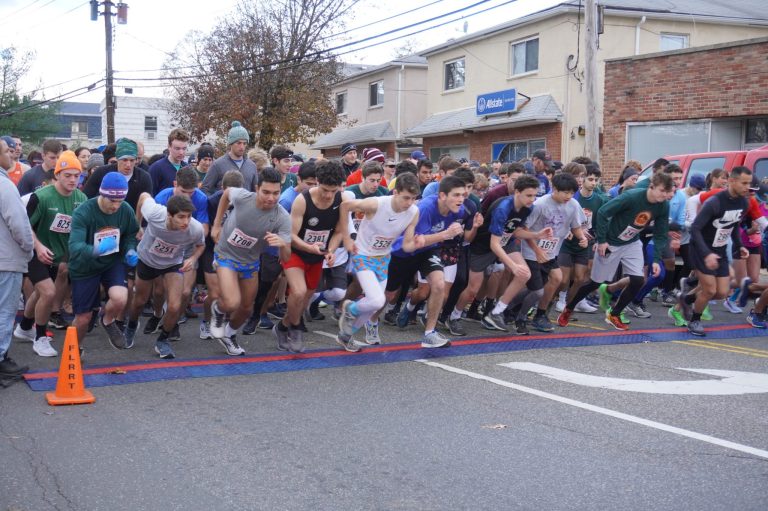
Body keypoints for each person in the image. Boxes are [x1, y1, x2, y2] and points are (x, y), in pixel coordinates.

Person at [558, 172, 675, 330]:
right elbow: (603, 212)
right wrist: (602, 240)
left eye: (668, 192)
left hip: (632, 242)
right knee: (596, 282)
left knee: (638, 279)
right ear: (652, 187)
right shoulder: (631, 197)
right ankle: (569, 307)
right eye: (662, 191)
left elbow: (661, 234)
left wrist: (655, 259)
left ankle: (615, 313)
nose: (666, 195)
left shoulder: (663, 205)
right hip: (611, 242)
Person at [378, 176, 468, 348]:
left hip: (428, 250)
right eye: (456, 195)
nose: (461, 200)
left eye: (462, 195)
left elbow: (439, 237)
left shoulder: (459, 209)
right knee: (389, 294)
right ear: (442, 195)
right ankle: (371, 320)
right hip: (404, 252)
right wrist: (446, 234)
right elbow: (416, 242)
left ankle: (429, 333)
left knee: (439, 284)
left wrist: (462, 229)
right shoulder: (426, 208)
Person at [13, 151, 87, 357]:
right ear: (57, 174)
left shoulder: (82, 198)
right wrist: (37, 246)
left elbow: (80, 228)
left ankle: (24, 327)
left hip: (57, 255)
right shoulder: (40, 197)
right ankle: (40, 338)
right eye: (67, 175)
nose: (73, 180)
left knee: (39, 293)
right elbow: (24, 226)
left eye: (77, 175)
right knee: (48, 292)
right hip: (33, 252)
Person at [336, 173, 421, 351]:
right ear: (395, 192)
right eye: (406, 198)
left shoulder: (414, 212)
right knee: (376, 300)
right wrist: (347, 238)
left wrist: (419, 243)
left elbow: (407, 246)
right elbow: (344, 207)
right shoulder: (376, 203)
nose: (409, 203)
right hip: (363, 255)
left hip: (383, 258)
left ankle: (346, 335)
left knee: (373, 307)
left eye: (413, 198)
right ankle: (350, 308)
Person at [211, 168, 291, 352]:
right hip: (226, 254)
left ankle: (229, 334)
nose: (271, 198)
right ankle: (219, 310)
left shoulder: (282, 217)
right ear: (257, 188)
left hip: (250, 262)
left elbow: (286, 259)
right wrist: (217, 225)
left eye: (276, 193)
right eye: (266, 192)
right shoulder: (242, 197)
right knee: (232, 303)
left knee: (247, 308)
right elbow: (225, 195)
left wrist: (283, 245)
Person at [274, 160, 346, 353]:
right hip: (295, 252)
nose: (329, 195)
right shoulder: (302, 200)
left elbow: (339, 231)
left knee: (303, 300)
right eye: (324, 189)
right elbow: (291, 235)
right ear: (316, 182)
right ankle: (296, 329)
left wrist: (330, 250)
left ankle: (282, 326)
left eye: (333, 190)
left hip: (317, 256)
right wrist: (309, 247)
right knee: (297, 292)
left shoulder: (342, 200)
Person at [124, 193, 205, 358]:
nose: (185, 222)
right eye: (181, 217)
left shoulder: (195, 228)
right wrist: (137, 225)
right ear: (169, 214)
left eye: (188, 217)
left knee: (175, 305)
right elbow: (143, 196)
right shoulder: (155, 213)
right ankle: (131, 326)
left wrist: (192, 258)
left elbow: (200, 245)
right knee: (139, 301)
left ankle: (163, 340)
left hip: (172, 264)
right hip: (147, 260)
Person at [68, 172, 139, 348]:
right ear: (102, 194)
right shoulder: (83, 212)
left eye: (119, 201)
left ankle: (107, 320)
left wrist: (130, 250)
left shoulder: (126, 209)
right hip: (85, 267)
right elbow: (74, 247)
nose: (116, 206)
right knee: (83, 318)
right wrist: (97, 249)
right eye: (111, 201)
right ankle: (73, 352)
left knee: (121, 298)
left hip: (111, 263)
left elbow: (131, 234)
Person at [680, 166, 752, 336]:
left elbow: (733, 226)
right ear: (732, 181)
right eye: (744, 183)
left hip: (719, 249)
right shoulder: (715, 202)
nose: (747, 187)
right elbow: (695, 228)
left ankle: (687, 299)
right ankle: (694, 321)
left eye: (749, 183)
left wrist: (740, 245)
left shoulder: (743, 202)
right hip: (701, 249)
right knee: (709, 290)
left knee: (721, 292)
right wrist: (707, 254)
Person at [0, 137, 34, 379]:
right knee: (4, 311)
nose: (11, 155)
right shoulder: (5, 185)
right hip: (6, 259)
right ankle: (1, 360)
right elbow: (20, 225)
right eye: (6, 151)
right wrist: (29, 249)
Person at [201, 121, 258, 194]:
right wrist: (215, 203)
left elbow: (256, 192)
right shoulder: (218, 164)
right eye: (238, 143)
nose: (242, 147)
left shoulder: (251, 166)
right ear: (231, 143)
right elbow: (205, 189)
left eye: (244, 143)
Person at [149, 128, 190, 194]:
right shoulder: (156, 168)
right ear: (169, 147)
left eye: (184, 148)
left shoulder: (188, 168)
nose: (181, 152)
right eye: (177, 148)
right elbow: (150, 195)